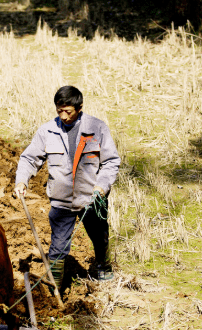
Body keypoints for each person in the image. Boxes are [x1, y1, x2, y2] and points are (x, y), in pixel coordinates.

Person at [13, 86, 121, 287]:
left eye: (68, 111)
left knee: (100, 238)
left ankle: (104, 269)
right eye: (59, 110)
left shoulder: (97, 128)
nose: (63, 116)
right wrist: (22, 180)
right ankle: (55, 287)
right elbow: (29, 158)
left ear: (79, 108)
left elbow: (111, 162)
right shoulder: (47, 131)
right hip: (61, 201)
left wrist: (101, 186)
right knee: (58, 247)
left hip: (92, 199)